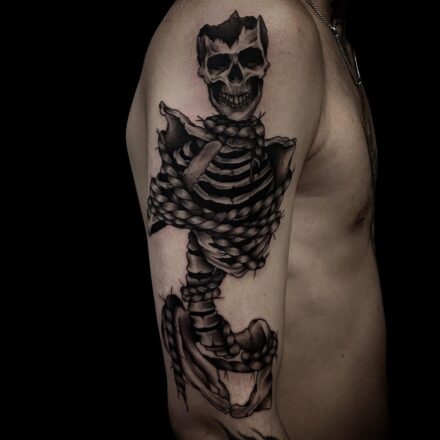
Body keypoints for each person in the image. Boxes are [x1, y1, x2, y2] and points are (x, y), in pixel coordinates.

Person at [126, 0, 388, 438]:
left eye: (249, 62)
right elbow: (217, 424)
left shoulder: (320, 27)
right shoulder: (263, 13)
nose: (236, 78)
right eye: (220, 66)